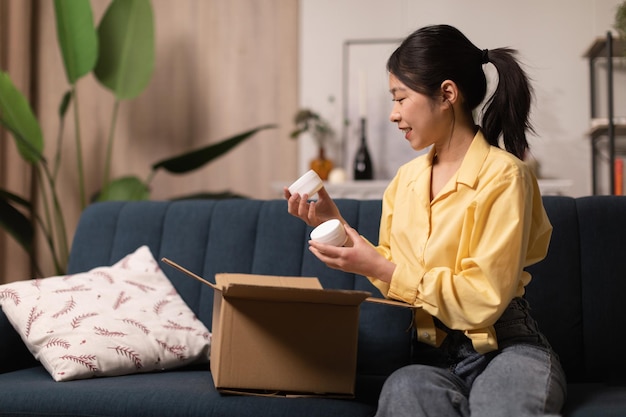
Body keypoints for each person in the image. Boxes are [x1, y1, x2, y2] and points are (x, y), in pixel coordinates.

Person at [284, 24, 566, 416]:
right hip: (435, 357)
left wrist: (382, 266)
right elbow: (395, 272)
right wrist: (342, 233)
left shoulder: (505, 177)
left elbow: (483, 297)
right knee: (404, 390)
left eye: (400, 98)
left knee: (502, 402)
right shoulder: (406, 181)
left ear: (447, 94)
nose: (393, 114)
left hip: (508, 348)